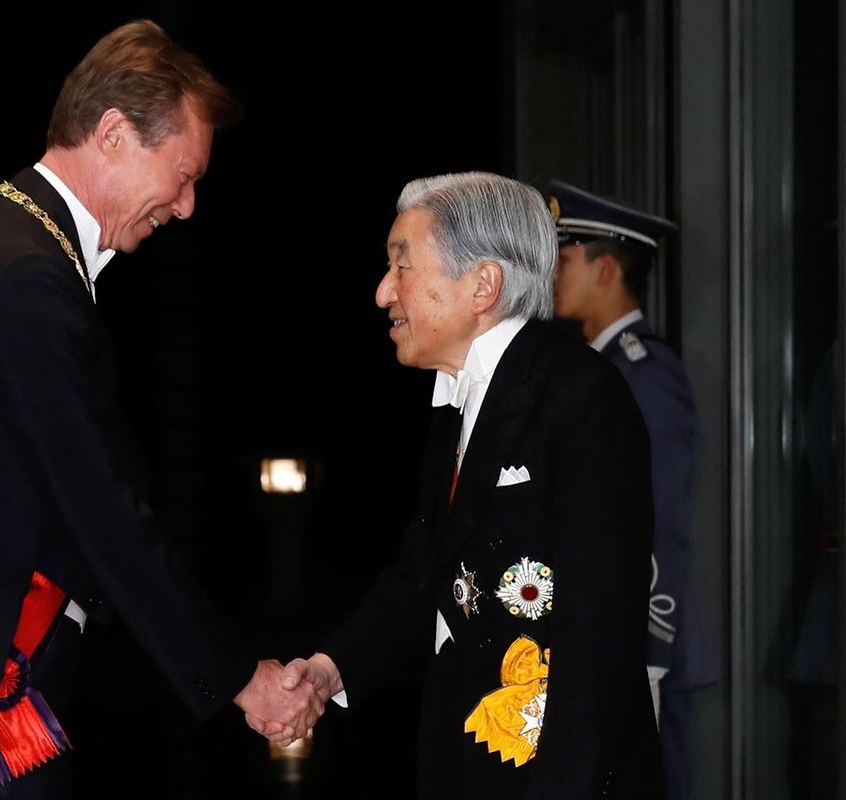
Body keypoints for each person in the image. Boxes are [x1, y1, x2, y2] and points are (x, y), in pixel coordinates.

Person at [0, 19, 320, 799]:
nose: (187, 206)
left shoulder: (10, 243)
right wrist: (237, 679)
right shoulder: (25, 278)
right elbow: (100, 510)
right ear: (114, 133)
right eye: (182, 175)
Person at [256, 171, 664, 798]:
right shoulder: (458, 395)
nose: (383, 292)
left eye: (402, 266)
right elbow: (425, 572)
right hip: (467, 756)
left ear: (483, 285)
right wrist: (328, 671)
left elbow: (598, 637)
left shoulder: (583, 397)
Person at [545, 179, 717, 799]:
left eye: (565, 259)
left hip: (644, 644)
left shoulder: (644, 373)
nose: (552, 274)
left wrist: (651, 644)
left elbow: (664, 517)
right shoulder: (601, 367)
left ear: (607, 268)